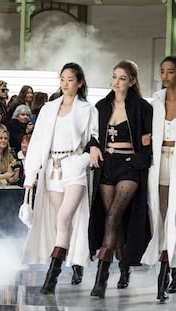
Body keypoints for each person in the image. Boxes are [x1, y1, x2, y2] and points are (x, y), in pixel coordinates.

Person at [21, 63, 97, 295]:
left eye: (70, 79)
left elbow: (94, 138)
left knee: (65, 218)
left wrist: (82, 160)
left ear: (80, 82)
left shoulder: (88, 109)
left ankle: (51, 279)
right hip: (52, 171)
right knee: (61, 222)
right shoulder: (48, 108)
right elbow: (36, 142)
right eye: (62, 79)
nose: (65, 83)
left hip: (74, 167)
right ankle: (75, 262)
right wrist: (30, 174)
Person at [88, 60, 152, 299]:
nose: (116, 82)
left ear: (132, 81)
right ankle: (123, 267)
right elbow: (92, 136)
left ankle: (101, 278)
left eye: (122, 78)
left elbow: (147, 145)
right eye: (114, 77)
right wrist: (93, 147)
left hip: (129, 166)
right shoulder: (101, 106)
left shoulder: (142, 107)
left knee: (114, 215)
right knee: (112, 220)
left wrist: (135, 163)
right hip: (106, 166)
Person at [141, 56, 176, 303]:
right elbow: (146, 131)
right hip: (160, 163)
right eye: (162, 71)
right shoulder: (155, 101)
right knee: (163, 216)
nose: (165, 76)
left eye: (171, 71)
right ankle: (165, 275)